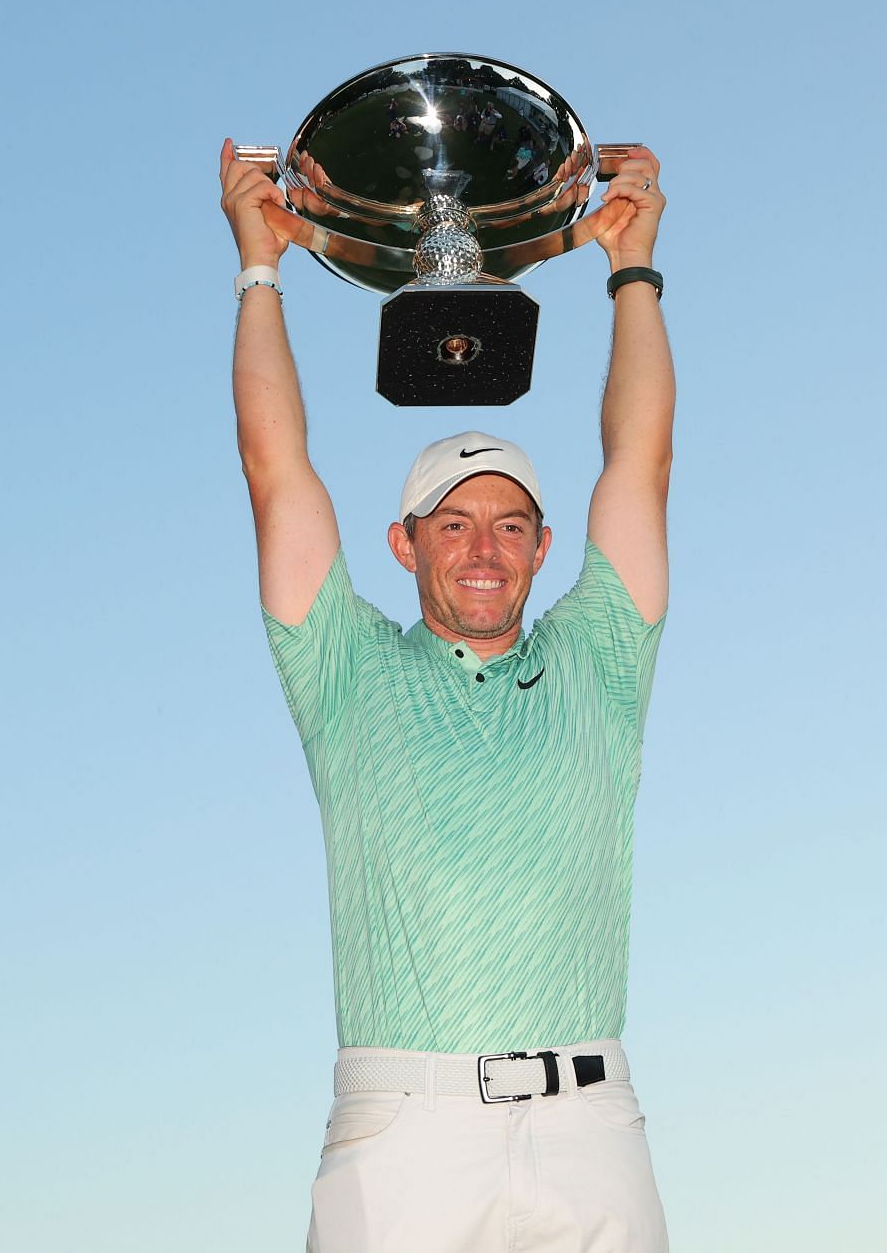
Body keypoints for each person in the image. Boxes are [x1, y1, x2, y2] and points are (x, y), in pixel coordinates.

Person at [218, 136, 675, 1253]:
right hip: (403, 1131)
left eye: (510, 523)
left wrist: (633, 272)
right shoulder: (348, 668)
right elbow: (277, 470)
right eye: (454, 523)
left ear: (541, 546)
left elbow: (640, 459)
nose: (485, 547)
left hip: (591, 1123)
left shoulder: (600, 658)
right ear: (405, 544)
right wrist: (261, 269)